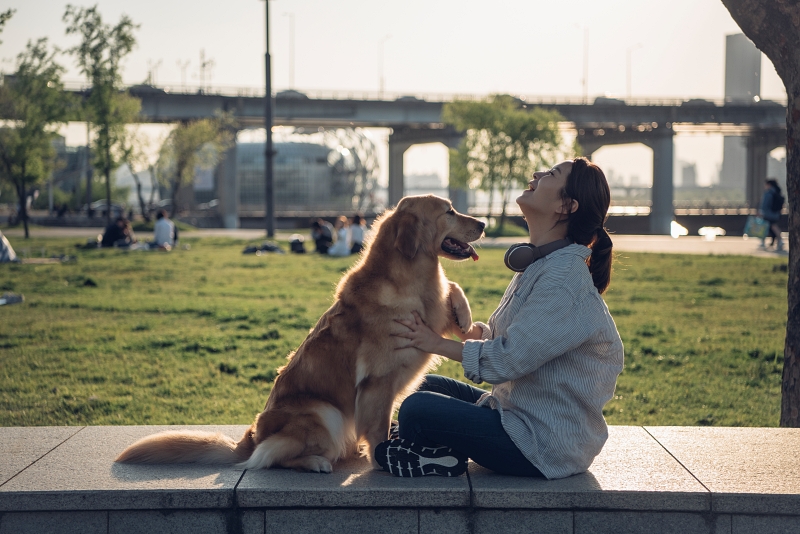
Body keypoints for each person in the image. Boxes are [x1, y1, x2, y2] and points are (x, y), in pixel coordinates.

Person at [377, 157, 624, 480]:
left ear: (567, 205)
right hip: (511, 412)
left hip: (541, 445)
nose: (537, 174)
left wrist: (434, 343)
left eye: (551, 174)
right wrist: (474, 333)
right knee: (416, 385)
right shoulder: (543, 262)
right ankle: (430, 446)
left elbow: (507, 362)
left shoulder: (563, 279)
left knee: (416, 409)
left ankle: (439, 456)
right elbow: (510, 341)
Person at [758, 179, 784, 252]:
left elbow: (764, 205)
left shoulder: (768, 193)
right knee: (773, 227)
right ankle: (779, 241)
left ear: (769, 185)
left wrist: (761, 212)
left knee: (766, 227)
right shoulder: (776, 192)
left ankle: (764, 242)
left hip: (768, 214)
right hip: (775, 214)